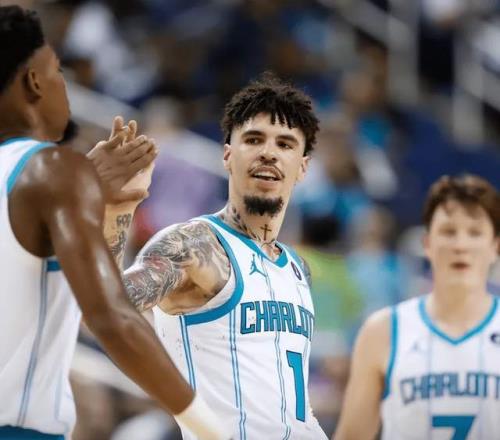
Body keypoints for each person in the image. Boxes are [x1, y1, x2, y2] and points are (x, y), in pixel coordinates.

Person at [0, 6, 230, 440]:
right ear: (33, 81)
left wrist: (104, 204)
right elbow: (110, 317)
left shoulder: (40, 181)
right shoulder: (51, 171)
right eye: (59, 73)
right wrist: (211, 429)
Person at [104, 72, 328, 439]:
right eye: (253, 139)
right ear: (227, 155)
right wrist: (116, 210)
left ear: (302, 167)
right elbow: (105, 308)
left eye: (285, 144)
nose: (268, 152)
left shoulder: (298, 268)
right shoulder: (194, 246)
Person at [334, 174, 500, 440]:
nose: (461, 245)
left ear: (495, 246)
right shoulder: (383, 331)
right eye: (448, 232)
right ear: (427, 244)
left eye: (475, 233)